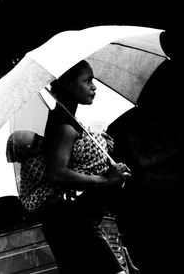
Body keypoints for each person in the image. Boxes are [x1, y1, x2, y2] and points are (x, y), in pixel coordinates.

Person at [41, 60, 130, 274]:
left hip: (68, 222)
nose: (94, 86)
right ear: (69, 84)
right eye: (87, 80)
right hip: (73, 223)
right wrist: (105, 179)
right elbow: (57, 172)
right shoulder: (64, 124)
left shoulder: (67, 119)